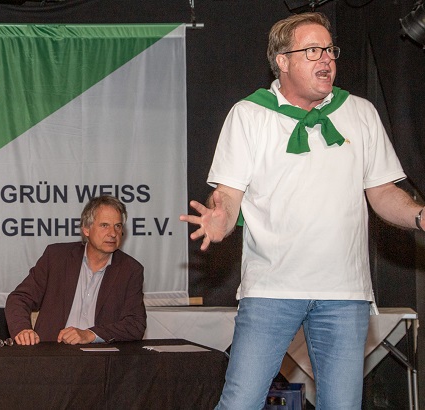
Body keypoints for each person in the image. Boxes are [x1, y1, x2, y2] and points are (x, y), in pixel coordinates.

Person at [180, 12, 424, 410]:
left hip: (345, 293)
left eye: (329, 50)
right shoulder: (249, 114)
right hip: (272, 289)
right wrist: (219, 219)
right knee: (241, 402)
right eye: (312, 50)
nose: (326, 58)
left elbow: (382, 192)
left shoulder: (360, 112)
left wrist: (419, 216)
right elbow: (228, 195)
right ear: (282, 61)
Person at [5, 195, 146, 345]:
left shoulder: (130, 270)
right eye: (104, 225)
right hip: (52, 351)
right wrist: (23, 330)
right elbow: (19, 298)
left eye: (117, 226)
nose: (113, 233)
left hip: (99, 354)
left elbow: (135, 324)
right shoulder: (56, 257)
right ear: (86, 229)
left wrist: (91, 334)